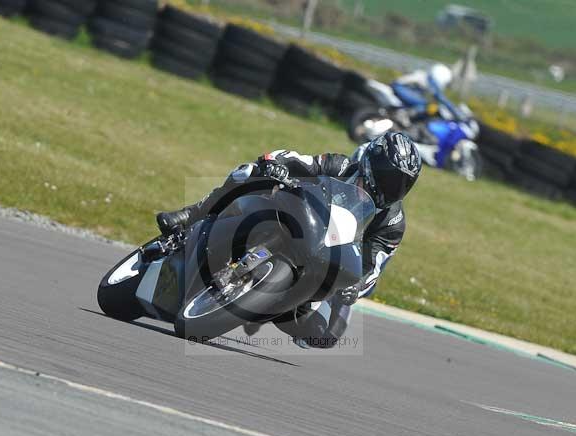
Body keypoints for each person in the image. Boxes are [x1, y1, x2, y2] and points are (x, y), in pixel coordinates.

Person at [156, 132, 422, 348]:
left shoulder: (393, 223)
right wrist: (275, 164)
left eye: (403, 184)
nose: (393, 188)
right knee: (247, 172)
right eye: (390, 177)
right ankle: (192, 214)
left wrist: (356, 287)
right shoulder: (340, 166)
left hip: (329, 265)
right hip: (298, 223)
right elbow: (296, 160)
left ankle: (279, 304)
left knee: (324, 335)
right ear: (372, 164)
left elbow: (373, 268)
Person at [391, 63, 455, 121]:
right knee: (426, 105)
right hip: (400, 87)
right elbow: (441, 98)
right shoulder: (431, 81)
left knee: (424, 101)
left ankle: (403, 113)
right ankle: (405, 116)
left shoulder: (426, 77)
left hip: (399, 86)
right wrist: (455, 112)